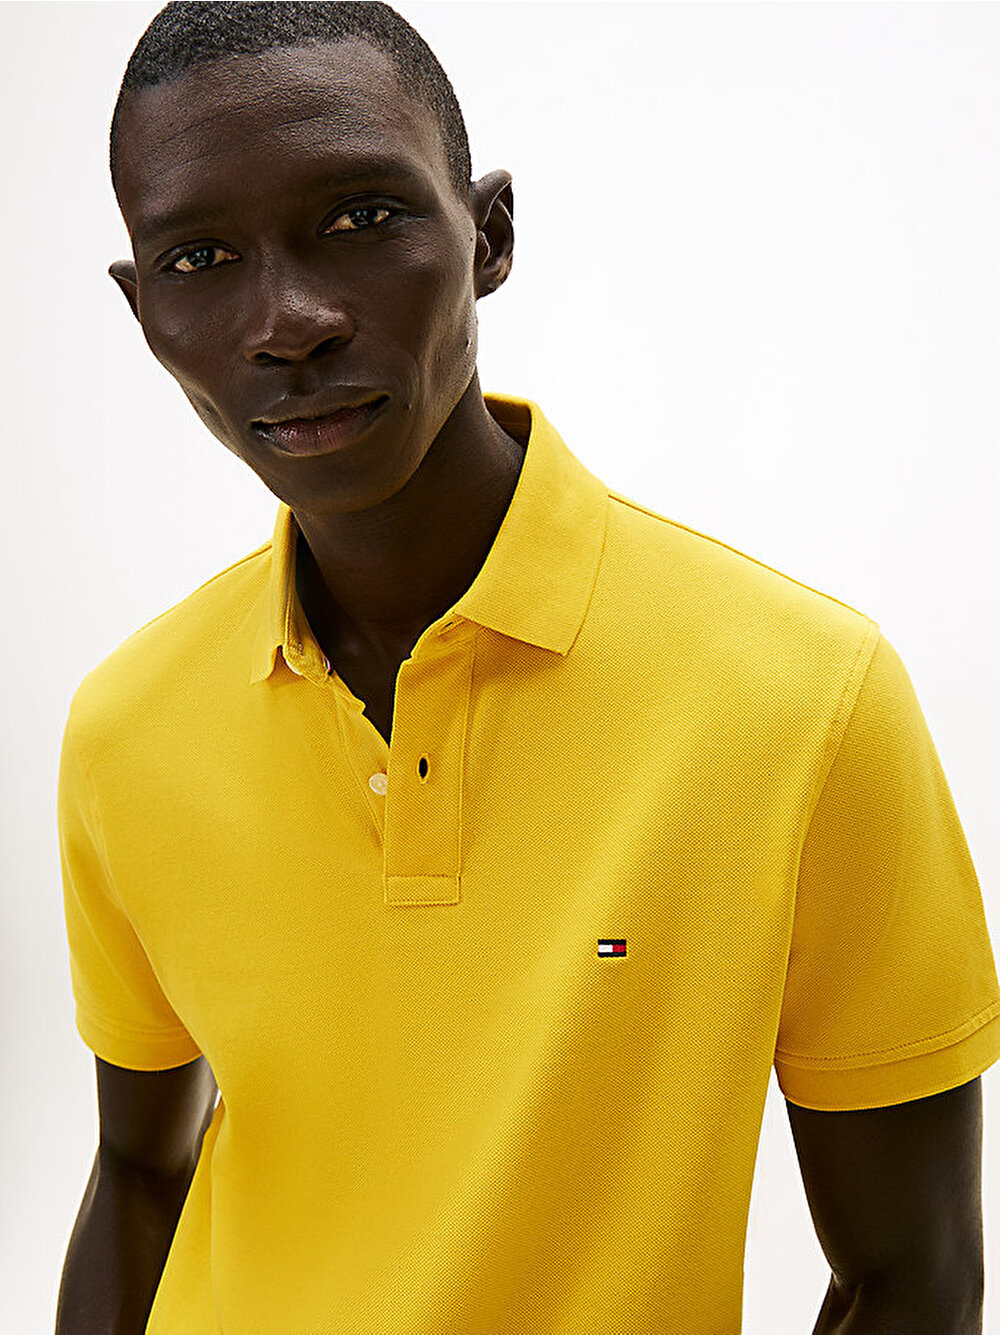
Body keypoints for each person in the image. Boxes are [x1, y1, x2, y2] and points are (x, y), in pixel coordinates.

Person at [55, 4, 999, 1333]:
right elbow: (140, 1173)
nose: (289, 323)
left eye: (362, 217)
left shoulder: (805, 700)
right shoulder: (126, 727)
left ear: (488, 236)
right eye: (199, 258)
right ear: (142, 307)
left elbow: (916, 1279)